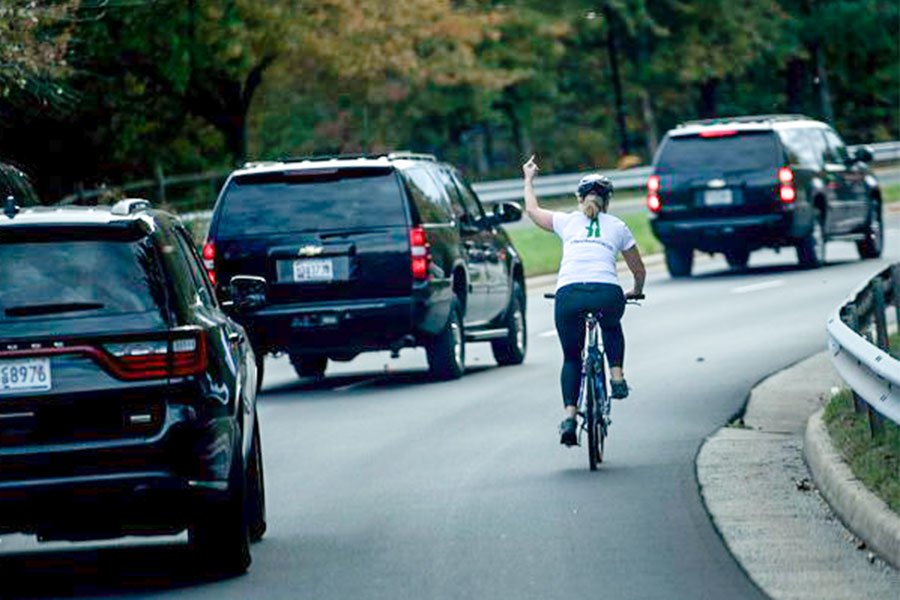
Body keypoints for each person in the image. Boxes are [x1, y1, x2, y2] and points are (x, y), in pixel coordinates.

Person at [522, 155, 646, 446]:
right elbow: (637, 268)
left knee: (571, 356)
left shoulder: (566, 221)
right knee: (612, 325)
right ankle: (616, 377)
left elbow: (532, 210)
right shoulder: (617, 225)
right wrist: (636, 289)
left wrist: (528, 179)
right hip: (607, 293)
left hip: (569, 295)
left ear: (579, 198)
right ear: (608, 200)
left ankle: (569, 415)